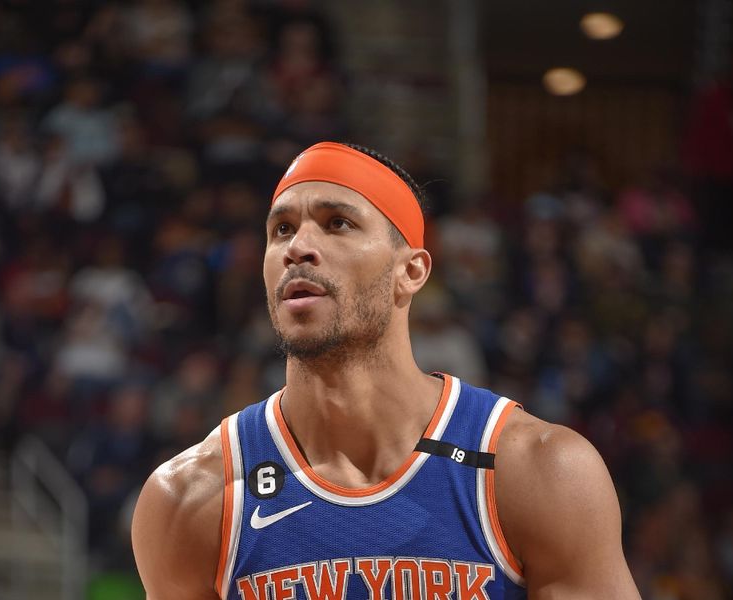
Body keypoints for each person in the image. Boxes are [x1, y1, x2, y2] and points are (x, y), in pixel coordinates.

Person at [132, 142, 641, 599]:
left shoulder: (539, 471)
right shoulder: (191, 497)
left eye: (338, 223)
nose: (297, 247)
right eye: (282, 229)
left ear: (411, 271)